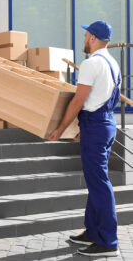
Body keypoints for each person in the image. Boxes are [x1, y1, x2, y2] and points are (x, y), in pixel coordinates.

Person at [48, 20, 121, 257]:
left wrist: (60, 129)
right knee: (96, 181)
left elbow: (78, 101)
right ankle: (92, 230)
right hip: (105, 124)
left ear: (92, 38)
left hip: (97, 126)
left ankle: (108, 242)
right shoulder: (113, 63)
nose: (83, 40)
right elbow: (105, 99)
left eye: (86, 36)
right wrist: (85, 127)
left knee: (99, 183)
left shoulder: (91, 63)